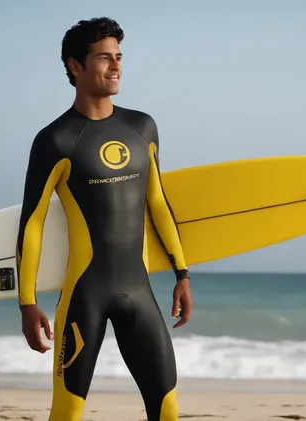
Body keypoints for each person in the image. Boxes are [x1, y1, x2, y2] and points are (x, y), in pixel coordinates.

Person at [15, 16, 193, 421]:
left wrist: (182, 274)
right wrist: (27, 303)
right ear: (75, 67)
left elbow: (158, 204)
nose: (116, 66)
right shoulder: (55, 140)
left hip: (141, 293)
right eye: (103, 58)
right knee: (67, 414)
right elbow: (33, 224)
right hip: (84, 296)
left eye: (118, 57)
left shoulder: (142, 127)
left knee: (167, 410)